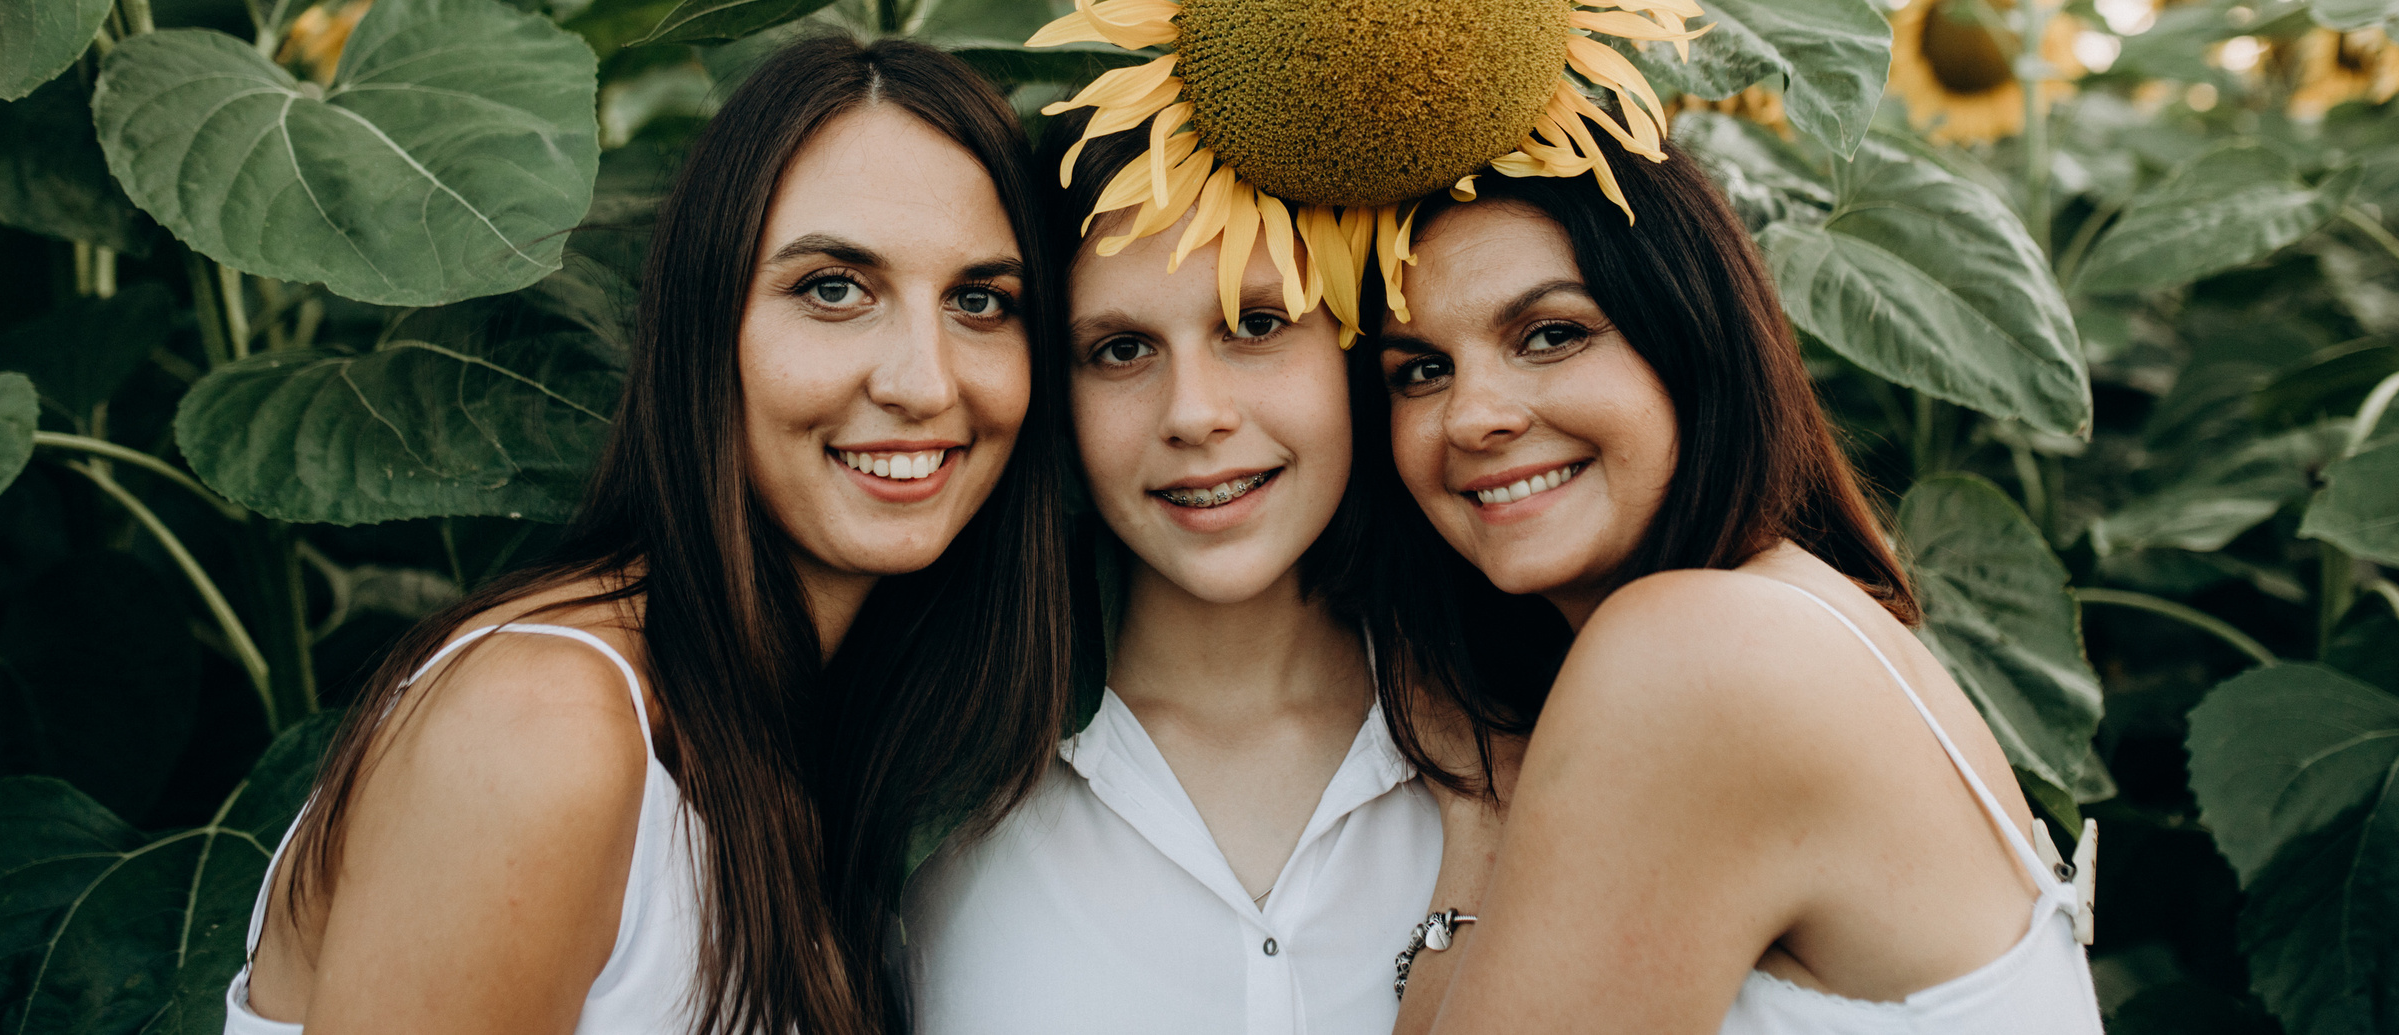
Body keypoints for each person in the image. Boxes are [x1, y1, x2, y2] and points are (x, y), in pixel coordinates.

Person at [225, 34, 1074, 1035]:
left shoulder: (800, 731)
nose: (925, 382)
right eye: (834, 289)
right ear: (703, 324)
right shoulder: (540, 732)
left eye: (980, 301)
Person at [1365, 140, 2104, 1035]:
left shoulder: (1696, 654)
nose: (1474, 415)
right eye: (1421, 370)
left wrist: (1484, 807)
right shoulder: (1802, 607)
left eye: (1552, 334)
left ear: (1692, 337)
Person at [899, 115, 1440, 1035]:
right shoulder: (933, 783)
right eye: (1120, 350)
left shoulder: (1522, 734)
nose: (1194, 413)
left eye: (1255, 324)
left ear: (1354, 355)